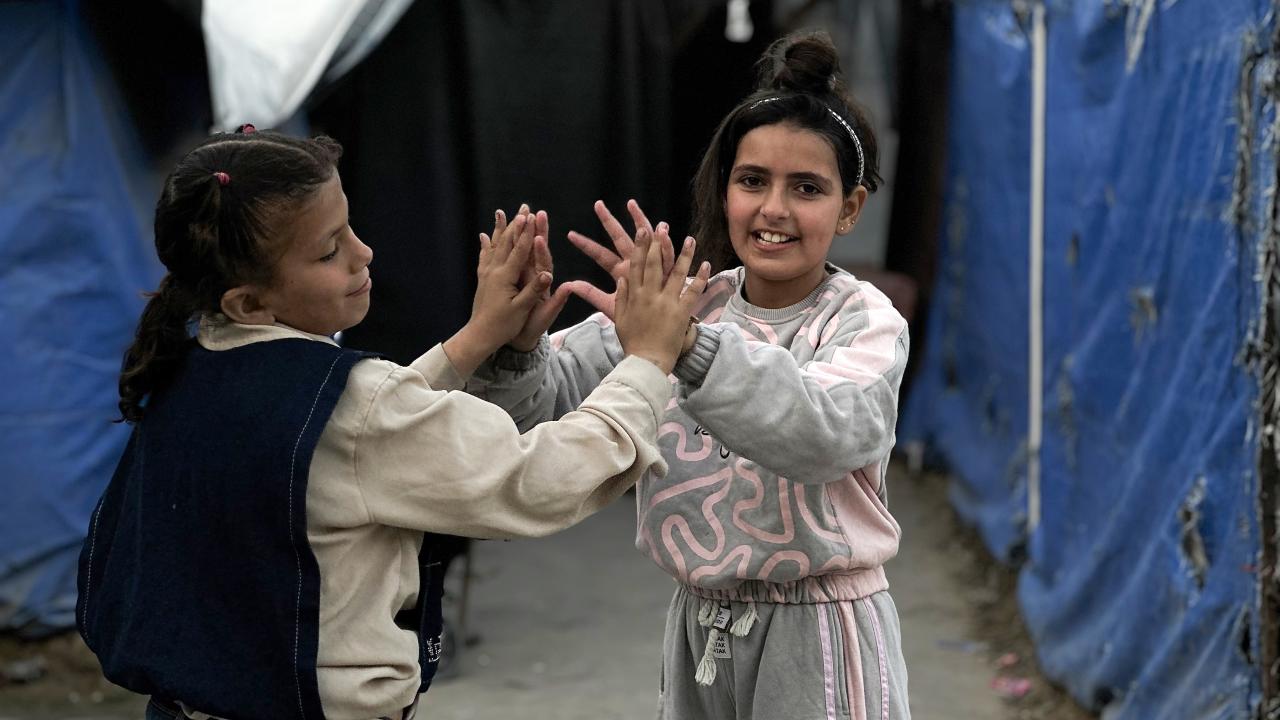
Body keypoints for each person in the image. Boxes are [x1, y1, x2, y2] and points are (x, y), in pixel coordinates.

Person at [75, 125, 710, 720]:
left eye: (349, 227)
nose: (363, 253)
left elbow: (355, 430)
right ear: (250, 301)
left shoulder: (195, 366)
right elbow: (537, 481)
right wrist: (649, 360)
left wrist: (477, 341)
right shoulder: (353, 406)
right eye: (329, 251)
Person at [467, 31, 911, 719]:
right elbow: (536, 416)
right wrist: (517, 345)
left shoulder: (863, 321)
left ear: (850, 208)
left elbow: (826, 434)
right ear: (724, 187)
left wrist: (687, 348)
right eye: (752, 180)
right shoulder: (682, 303)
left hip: (817, 632)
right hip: (698, 629)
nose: (773, 209)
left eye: (807, 189)